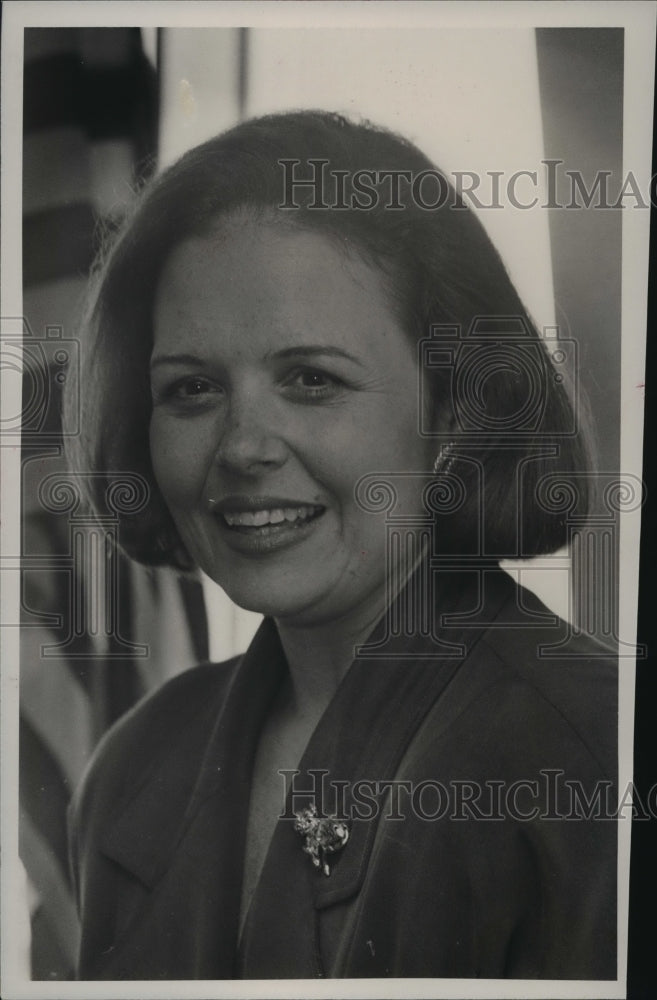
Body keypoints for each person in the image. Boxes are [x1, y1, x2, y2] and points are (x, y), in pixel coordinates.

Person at [65, 110, 617, 980]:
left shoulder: (598, 751)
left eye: (311, 380)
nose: (243, 446)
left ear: (457, 409)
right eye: (192, 388)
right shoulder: (137, 764)